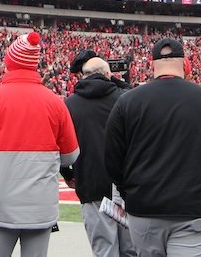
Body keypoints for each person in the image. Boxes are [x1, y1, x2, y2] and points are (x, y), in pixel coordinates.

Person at [104, 38, 201, 257]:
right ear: (185, 63)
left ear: (152, 64)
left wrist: (128, 192)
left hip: (145, 208)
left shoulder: (128, 102)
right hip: (198, 208)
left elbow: (112, 158)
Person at [0, 32, 79, 257]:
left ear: (9, 63)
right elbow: (71, 155)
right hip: (40, 206)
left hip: (1, 204)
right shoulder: (55, 102)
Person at [61, 56, 135, 257]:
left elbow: (61, 145)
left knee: (104, 251)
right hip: (127, 184)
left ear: (82, 76)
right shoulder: (124, 98)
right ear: (107, 74)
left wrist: (67, 174)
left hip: (91, 183)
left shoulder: (69, 105)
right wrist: (116, 79)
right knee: (131, 250)